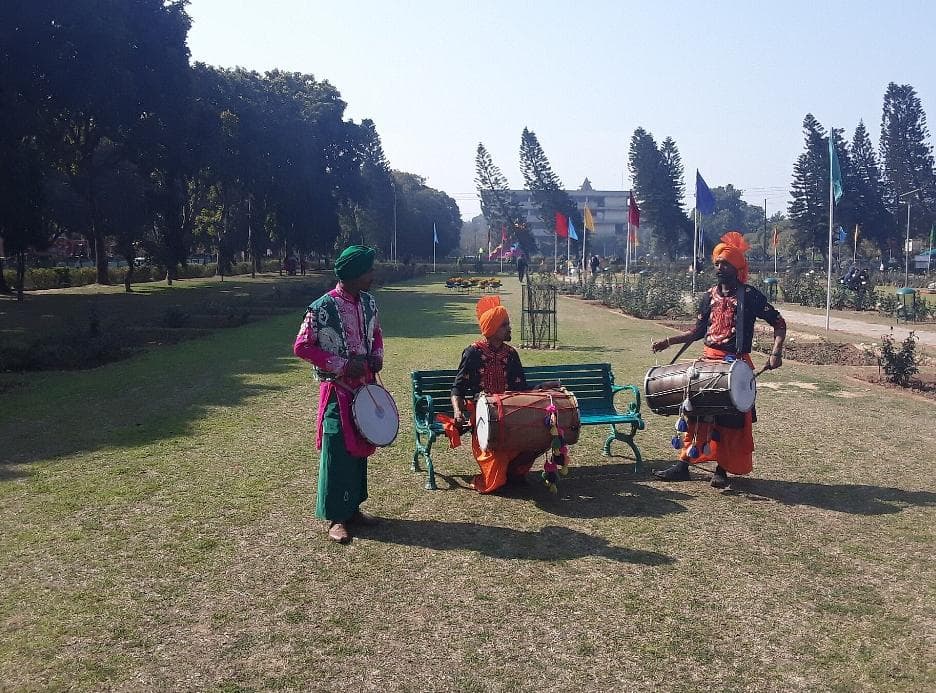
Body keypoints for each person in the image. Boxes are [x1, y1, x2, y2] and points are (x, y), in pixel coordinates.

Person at [650, 232, 787, 489]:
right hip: (708, 362)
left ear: (737, 267)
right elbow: (697, 332)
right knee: (696, 413)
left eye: (724, 263)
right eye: (717, 263)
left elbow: (779, 323)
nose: (719, 267)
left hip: (736, 365)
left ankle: (722, 470)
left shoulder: (750, 295)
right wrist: (668, 341)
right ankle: (683, 464)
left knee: (730, 420)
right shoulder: (709, 296)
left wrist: (776, 352)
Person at [293, 245, 384, 543]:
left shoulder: (369, 302)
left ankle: (353, 508)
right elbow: (302, 346)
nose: (373, 275)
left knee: (360, 448)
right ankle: (335, 517)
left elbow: (376, 334)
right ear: (354, 274)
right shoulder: (321, 308)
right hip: (338, 390)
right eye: (368, 270)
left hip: (365, 388)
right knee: (337, 450)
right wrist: (344, 365)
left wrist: (377, 356)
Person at [451, 296, 558, 493]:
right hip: (484, 417)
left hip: (512, 412)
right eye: (504, 325)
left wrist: (544, 386)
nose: (510, 328)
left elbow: (522, 388)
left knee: (539, 437)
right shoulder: (473, 353)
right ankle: (504, 474)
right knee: (495, 476)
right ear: (492, 329)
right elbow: (457, 388)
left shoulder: (511, 354)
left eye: (508, 324)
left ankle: (515, 472)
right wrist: (458, 412)